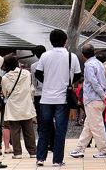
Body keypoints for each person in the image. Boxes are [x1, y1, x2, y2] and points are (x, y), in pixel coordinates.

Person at [33, 29, 81, 167]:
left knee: (44, 129)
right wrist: (68, 81)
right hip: (63, 99)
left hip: (46, 98)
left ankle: (40, 158)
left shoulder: (45, 56)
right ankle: (57, 160)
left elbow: (38, 73)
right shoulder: (72, 57)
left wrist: (48, 81)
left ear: (51, 41)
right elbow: (78, 75)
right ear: (65, 40)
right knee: (61, 130)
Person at [69, 44, 106, 159]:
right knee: (89, 125)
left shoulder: (88, 65)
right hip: (100, 99)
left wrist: (103, 95)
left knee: (97, 126)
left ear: (83, 55)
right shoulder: (100, 64)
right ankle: (80, 148)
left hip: (93, 99)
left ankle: (104, 149)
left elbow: (93, 83)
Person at [0, 55, 37, 159]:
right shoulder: (26, 73)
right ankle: (33, 152)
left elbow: (5, 92)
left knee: (15, 131)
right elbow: (30, 87)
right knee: (29, 130)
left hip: (13, 106)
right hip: (26, 105)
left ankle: (17, 153)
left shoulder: (5, 78)